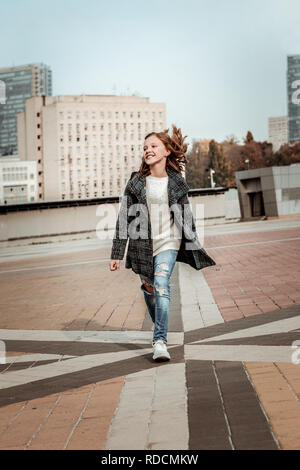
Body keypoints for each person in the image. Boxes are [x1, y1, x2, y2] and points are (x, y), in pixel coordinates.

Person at [109, 125, 216, 362]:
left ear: (167, 151)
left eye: (153, 146)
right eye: (145, 147)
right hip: (142, 247)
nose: (148, 150)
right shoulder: (136, 182)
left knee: (161, 284)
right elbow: (124, 218)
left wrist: (193, 242)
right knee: (150, 289)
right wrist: (117, 253)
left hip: (169, 241)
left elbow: (186, 215)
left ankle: (160, 341)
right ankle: (160, 327)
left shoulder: (176, 181)